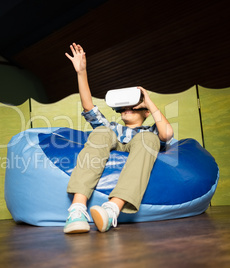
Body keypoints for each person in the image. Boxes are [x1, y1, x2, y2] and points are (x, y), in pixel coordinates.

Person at [63, 43, 174, 234]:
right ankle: (77, 210)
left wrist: (147, 100)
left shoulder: (151, 132)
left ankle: (111, 210)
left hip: (143, 141)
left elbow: (167, 134)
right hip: (109, 137)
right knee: (100, 132)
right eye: (124, 107)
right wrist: (81, 72)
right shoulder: (111, 128)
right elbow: (89, 107)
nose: (127, 109)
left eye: (133, 105)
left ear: (146, 111)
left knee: (148, 139)